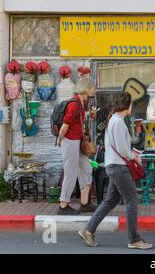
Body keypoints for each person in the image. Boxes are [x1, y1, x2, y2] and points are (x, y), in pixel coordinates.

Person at [78, 92, 152, 250]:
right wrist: (135, 157)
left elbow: (120, 147)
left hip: (114, 166)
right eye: (131, 104)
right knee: (132, 201)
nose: (132, 107)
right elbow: (123, 150)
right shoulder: (118, 122)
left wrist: (131, 153)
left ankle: (88, 230)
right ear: (126, 105)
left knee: (110, 201)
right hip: (119, 167)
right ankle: (134, 239)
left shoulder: (114, 120)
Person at [57, 77, 96, 215]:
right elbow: (64, 126)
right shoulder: (74, 105)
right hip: (70, 141)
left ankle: (85, 203)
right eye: (92, 88)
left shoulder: (81, 103)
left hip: (77, 141)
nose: (93, 90)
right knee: (70, 172)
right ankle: (63, 205)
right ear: (86, 89)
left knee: (86, 168)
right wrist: (59, 140)